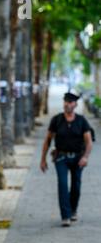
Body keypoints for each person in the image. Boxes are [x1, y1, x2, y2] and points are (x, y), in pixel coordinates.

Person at [40, 92, 93, 227]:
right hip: (61, 158)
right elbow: (47, 140)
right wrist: (43, 159)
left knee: (76, 186)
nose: (67, 104)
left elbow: (88, 142)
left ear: (75, 105)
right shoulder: (57, 120)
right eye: (65, 102)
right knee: (62, 185)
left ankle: (73, 209)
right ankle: (66, 216)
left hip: (78, 158)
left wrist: (85, 157)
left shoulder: (81, 121)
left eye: (70, 102)